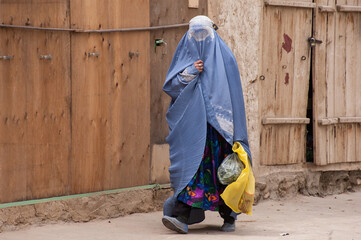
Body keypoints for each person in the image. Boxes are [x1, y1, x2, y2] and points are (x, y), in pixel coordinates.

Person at [161, 15, 252, 234]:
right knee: (191, 171)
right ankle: (181, 216)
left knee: (225, 172)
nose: (200, 40)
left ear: (213, 33)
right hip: (192, 129)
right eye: (195, 35)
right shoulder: (183, 56)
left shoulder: (227, 59)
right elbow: (171, 88)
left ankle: (229, 217)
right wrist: (189, 73)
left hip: (221, 131)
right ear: (188, 35)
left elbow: (235, 99)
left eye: (205, 35)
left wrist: (235, 132)